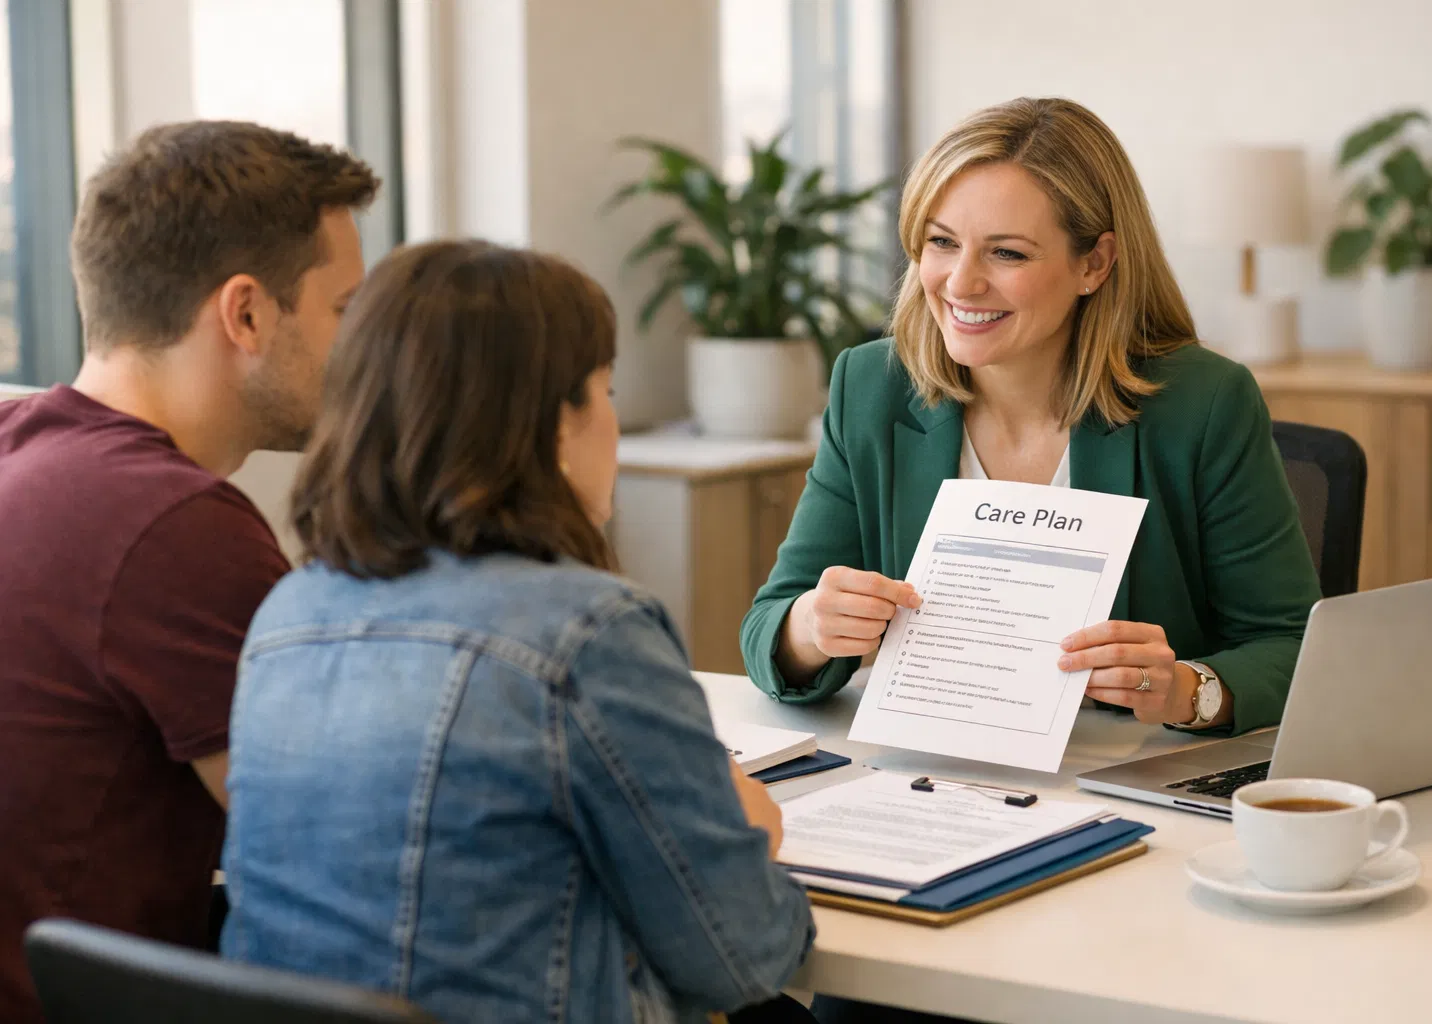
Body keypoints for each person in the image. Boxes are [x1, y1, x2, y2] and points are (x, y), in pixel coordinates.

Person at [741, 92, 1321, 1024]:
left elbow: (1294, 643)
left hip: (1130, 831)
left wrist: (1190, 690)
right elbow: (769, 626)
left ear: (1095, 262)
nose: (958, 282)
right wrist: (814, 625)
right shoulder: (870, 383)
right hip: (928, 812)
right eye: (938, 242)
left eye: (1006, 253)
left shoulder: (1200, 403)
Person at [219, 241, 816, 1023]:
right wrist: (745, 824)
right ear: (553, 427)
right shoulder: (588, 635)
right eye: (604, 389)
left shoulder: (287, 616)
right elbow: (744, 956)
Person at [0, 122, 376, 1022]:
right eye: (343, 312)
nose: (360, 353)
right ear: (245, 313)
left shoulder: (20, 451)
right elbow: (339, 850)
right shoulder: (171, 525)